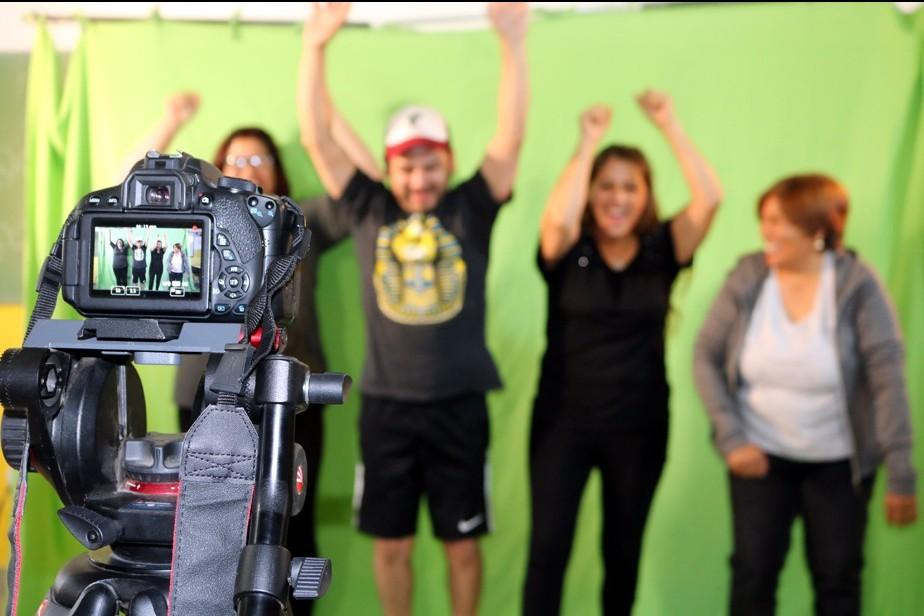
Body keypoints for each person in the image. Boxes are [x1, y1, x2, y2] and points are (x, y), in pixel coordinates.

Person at [298, 3, 529, 615]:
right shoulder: (369, 207)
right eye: (408, 166)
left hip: (460, 406)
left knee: (462, 548)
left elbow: (509, 139)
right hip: (388, 408)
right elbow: (317, 139)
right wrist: (314, 47)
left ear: (448, 163)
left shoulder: (470, 209)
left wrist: (512, 43)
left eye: (431, 165)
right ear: (389, 165)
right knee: (392, 546)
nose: (420, 179)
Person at [140, 90, 380, 616]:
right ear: (219, 168)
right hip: (206, 392)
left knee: (290, 519)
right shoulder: (197, 220)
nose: (247, 168)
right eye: (236, 159)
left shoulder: (299, 220)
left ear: (277, 170)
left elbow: (368, 192)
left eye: (259, 158)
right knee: (206, 519)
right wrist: (169, 123)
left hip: (290, 395)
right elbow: (126, 204)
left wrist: (330, 116)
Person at [523, 94, 723, 616]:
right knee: (547, 551)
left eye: (630, 187)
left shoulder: (663, 250)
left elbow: (709, 198)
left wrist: (670, 125)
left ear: (646, 195)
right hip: (562, 423)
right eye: (606, 186)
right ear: (590, 192)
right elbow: (558, 219)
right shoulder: (568, 249)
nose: (617, 198)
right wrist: (587, 142)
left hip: (639, 426)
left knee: (622, 552)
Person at [694, 174, 917, 616]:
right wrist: (733, 439)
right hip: (759, 459)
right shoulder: (748, 276)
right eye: (764, 220)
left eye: (778, 221)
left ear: (815, 229)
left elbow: (887, 376)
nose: (767, 232)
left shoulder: (857, 285)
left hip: (839, 466)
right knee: (752, 576)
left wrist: (901, 473)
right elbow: (705, 355)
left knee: (838, 580)